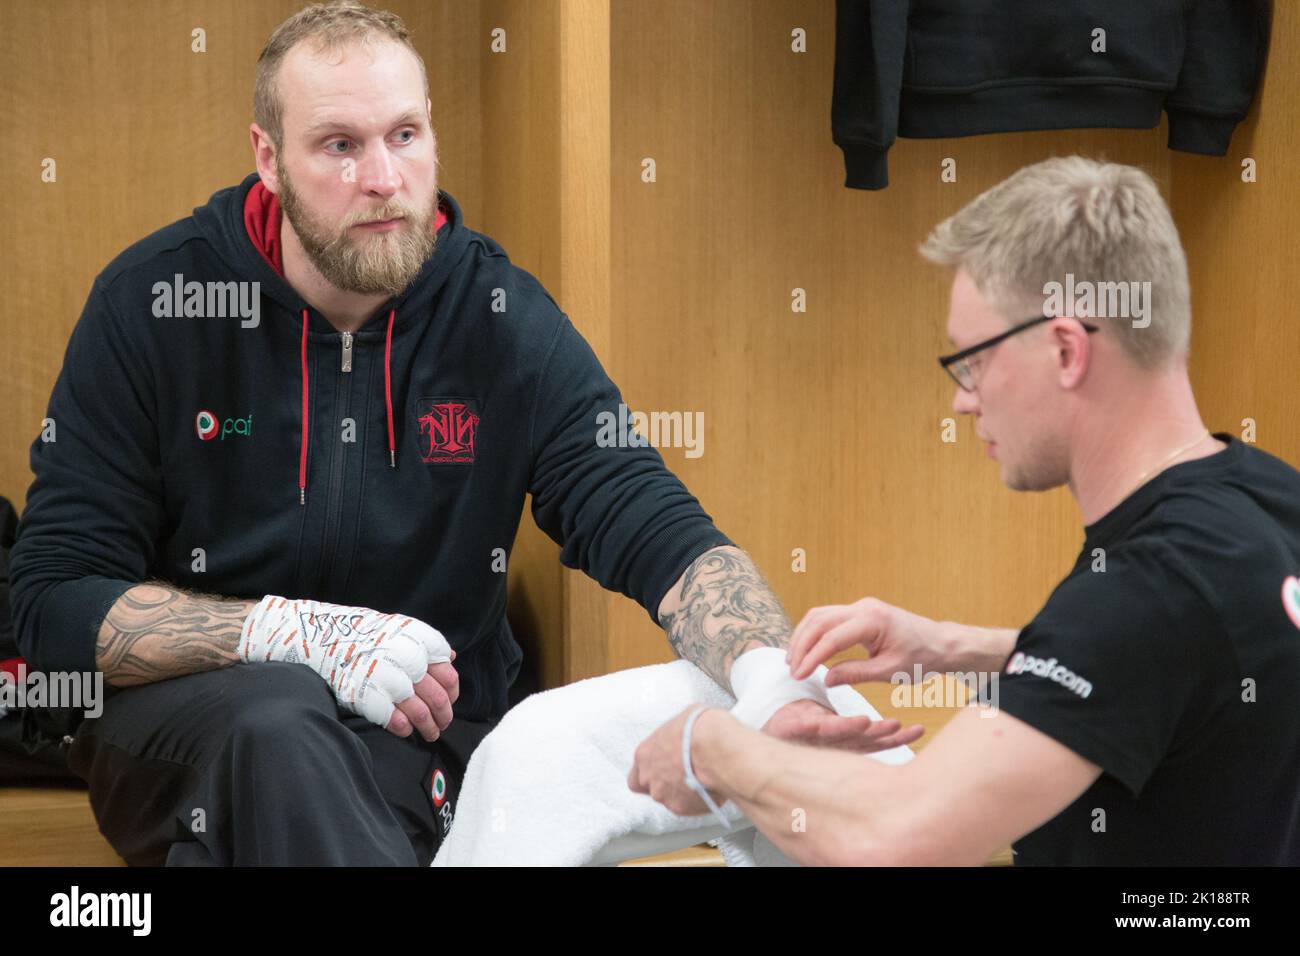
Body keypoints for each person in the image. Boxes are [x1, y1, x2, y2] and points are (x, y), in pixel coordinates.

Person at [8, 1, 917, 866]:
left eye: (405, 135)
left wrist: (767, 678)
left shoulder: (500, 317)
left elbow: (648, 516)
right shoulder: (156, 303)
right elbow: (50, 603)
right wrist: (292, 635)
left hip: (424, 735)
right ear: (268, 158)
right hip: (188, 735)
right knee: (279, 723)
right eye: (339, 146)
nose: (383, 178)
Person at [630, 156, 1300, 866]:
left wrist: (712, 748)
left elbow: (894, 837)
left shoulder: (1143, 590)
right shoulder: (1265, 497)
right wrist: (950, 648)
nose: (962, 398)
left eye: (972, 360)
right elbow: (1171, 672)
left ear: (1067, 350)